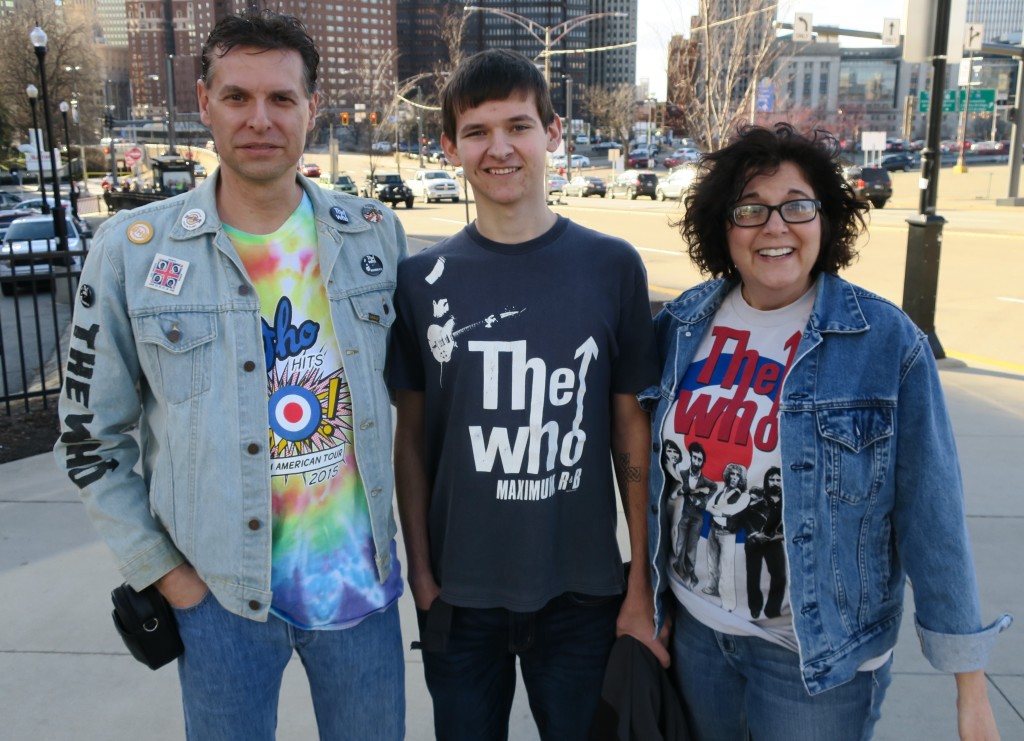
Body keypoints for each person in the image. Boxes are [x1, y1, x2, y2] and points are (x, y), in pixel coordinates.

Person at [54, 10, 407, 739]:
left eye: (281, 98)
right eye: (238, 96)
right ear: (205, 103)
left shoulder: (374, 234)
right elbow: (89, 437)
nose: (260, 119)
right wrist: (166, 575)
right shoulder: (132, 253)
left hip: (358, 590)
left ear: (312, 108)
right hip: (217, 598)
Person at [641, 123, 1012, 740]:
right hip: (698, 635)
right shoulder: (680, 325)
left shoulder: (885, 343)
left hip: (815, 660)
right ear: (723, 227)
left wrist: (969, 686)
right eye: (750, 209)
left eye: (797, 206)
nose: (775, 227)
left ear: (825, 219)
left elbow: (933, 515)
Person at [388, 48, 667, 741]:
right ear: (449, 147)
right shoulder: (421, 282)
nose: (500, 148)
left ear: (553, 133)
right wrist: (422, 576)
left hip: (583, 593)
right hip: (459, 597)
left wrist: (639, 581)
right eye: (477, 131)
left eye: (518, 125)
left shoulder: (612, 266)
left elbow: (630, 431)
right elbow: (412, 440)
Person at [741, 466, 785, 620]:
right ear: (767, 481)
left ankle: (772, 610)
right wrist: (754, 534)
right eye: (772, 479)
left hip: (774, 541)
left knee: (779, 576)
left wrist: (778, 536)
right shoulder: (758, 497)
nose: (775, 482)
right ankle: (754, 607)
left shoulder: (787, 500)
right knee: (753, 575)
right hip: (754, 541)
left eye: (778, 480)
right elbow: (744, 516)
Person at [673, 441, 716, 587]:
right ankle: (678, 569)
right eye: (695, 458)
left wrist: (703, 501)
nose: (696, 461)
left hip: (698, 518)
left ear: (703, 462)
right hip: (684, 515)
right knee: (680, 543)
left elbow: (714, 487)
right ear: (691, 457)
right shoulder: (683, 473)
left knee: (692, 547)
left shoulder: (706, 481)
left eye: (699, 459)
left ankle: (690, 572)